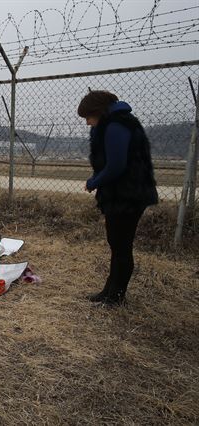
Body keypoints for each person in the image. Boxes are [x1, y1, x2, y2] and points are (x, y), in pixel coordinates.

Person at [77, 91, 158, 306]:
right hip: (124, 193)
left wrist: (93, 182)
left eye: (88, 117)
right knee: (117, 244)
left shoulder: (116, 126)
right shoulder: (116, 123)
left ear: (98, 112)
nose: (87, 123)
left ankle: (116, 296)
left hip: (127, 195)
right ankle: (109, 291)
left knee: (121, 246)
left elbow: (116, 165)